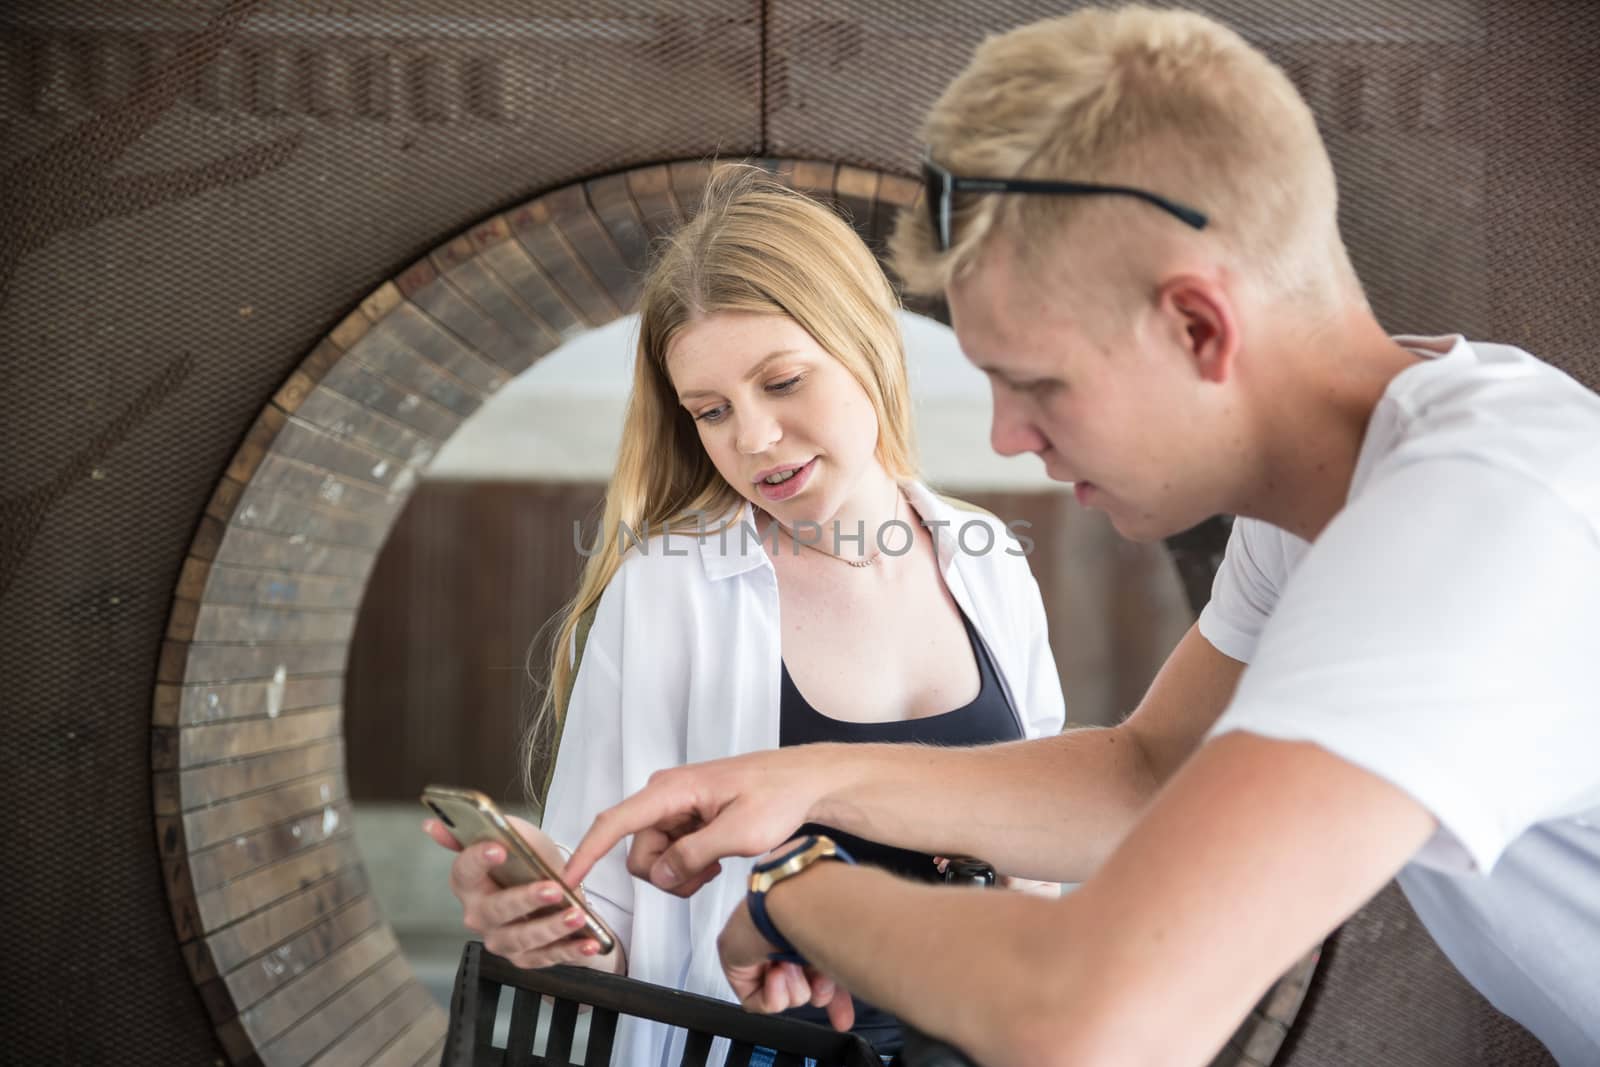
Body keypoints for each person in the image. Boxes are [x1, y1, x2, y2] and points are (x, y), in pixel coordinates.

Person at [561, 7, 1600, 1066]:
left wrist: (795, 894)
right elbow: (1145, 775)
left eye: (1038, 381)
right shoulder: (1316, 509)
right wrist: (808, 779)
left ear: (1197, 325)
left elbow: (1094, 1021)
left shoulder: (1476, 522)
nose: (1011, 438)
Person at [423, 167, 1067, 1064]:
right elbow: (613, 928)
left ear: (868, 346)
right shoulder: (668, 590)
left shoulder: (987, 558)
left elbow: (1050, 840)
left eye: (784, 381)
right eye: (711, 411)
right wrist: (542, 911)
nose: (753, 439)